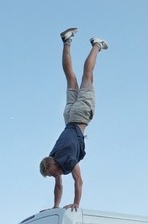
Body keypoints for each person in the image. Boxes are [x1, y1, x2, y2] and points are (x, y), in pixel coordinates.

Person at [39, 28, 108, 211]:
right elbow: (59, 185)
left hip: (78, 116)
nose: (56, 175)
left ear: (52, 164)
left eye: (54, 173)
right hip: (68, 116)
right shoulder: (53, 155)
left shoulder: (67, 160)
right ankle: (67, 42)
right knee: (70, 78)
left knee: (88, 77)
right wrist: (55, 206)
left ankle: (97, 45)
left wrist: (77, 203)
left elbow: (79, 180)